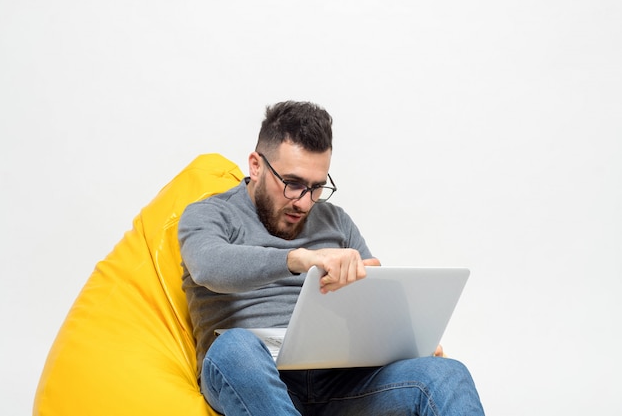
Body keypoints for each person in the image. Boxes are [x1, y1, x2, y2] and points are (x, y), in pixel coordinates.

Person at [178, 101, 485, 416]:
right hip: (251, 375)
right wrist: (299, 259)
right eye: (292, 183)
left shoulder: (336, 222)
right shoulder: (210, 214)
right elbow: (207, 266)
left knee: (447, 373)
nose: (304, 201)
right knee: (234, 349)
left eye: (317, 187)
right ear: (256, 166)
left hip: (338, 383)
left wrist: (412, 342)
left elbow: (373, 307)